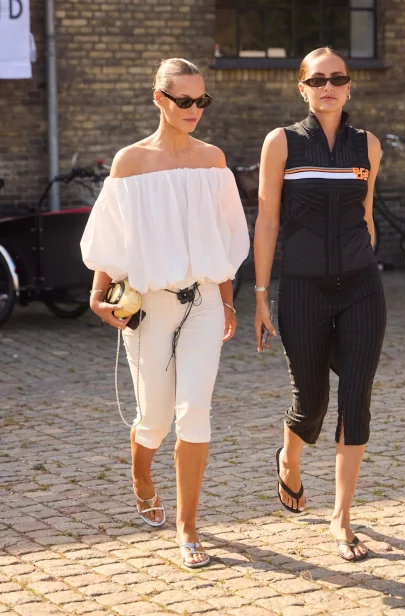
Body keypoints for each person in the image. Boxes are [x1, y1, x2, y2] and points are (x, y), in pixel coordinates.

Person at [80, 58, 249, 568]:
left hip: (202, 301)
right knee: (153, 419)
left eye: (202, 100)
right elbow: (110, 238)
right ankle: (141, 475)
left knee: (194, 409)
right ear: (159, 98)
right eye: (184, 100)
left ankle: (188, 527)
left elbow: (224, 238)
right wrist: (98, 294)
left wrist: (227, 300)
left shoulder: (213, 160)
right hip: (150, 303)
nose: (194, 109)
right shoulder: (130, 162)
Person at [254, 47, 386, 561]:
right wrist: (261, 296)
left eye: (337, 78)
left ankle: (341, 517)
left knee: (355, 398)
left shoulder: (367, 145)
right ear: (303, 88)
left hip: (361, 287)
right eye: (317, 80)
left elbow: (366, 214)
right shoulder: (282, 143)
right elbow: (268, 221)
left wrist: (363, 260)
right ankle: (289, 460)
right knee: (311, 402)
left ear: (349, 86)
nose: (327, 87)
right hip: (303, 288)